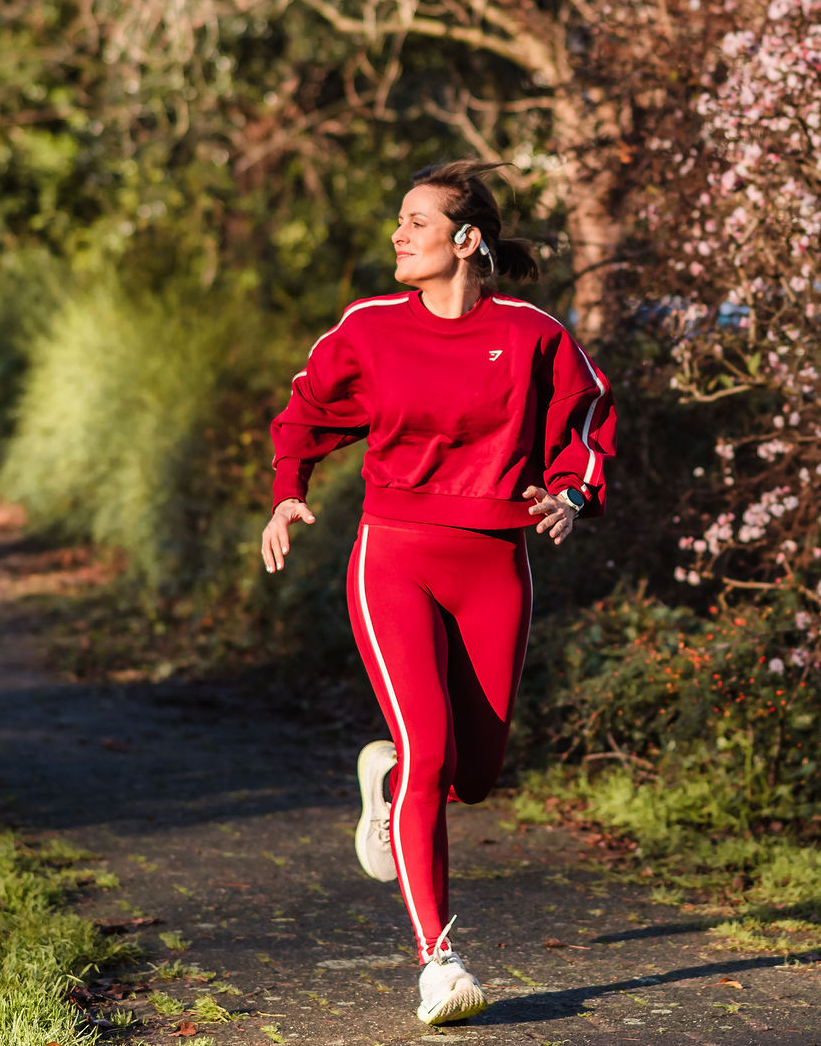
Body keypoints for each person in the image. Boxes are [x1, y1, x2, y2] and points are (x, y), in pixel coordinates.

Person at [259, 160, 613, 1026]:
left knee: (478, 772)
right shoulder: (371, 326)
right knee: (426, 744)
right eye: (399, 220)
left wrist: (570, 493)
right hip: (396, 555)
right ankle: (438, 960)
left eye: (416, 221)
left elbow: (590, 417)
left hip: (496, 560)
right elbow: (307, 406)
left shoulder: (533, 334)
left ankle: (385, 782)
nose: (398, 234)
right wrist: (289, 482)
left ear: (466, 241)